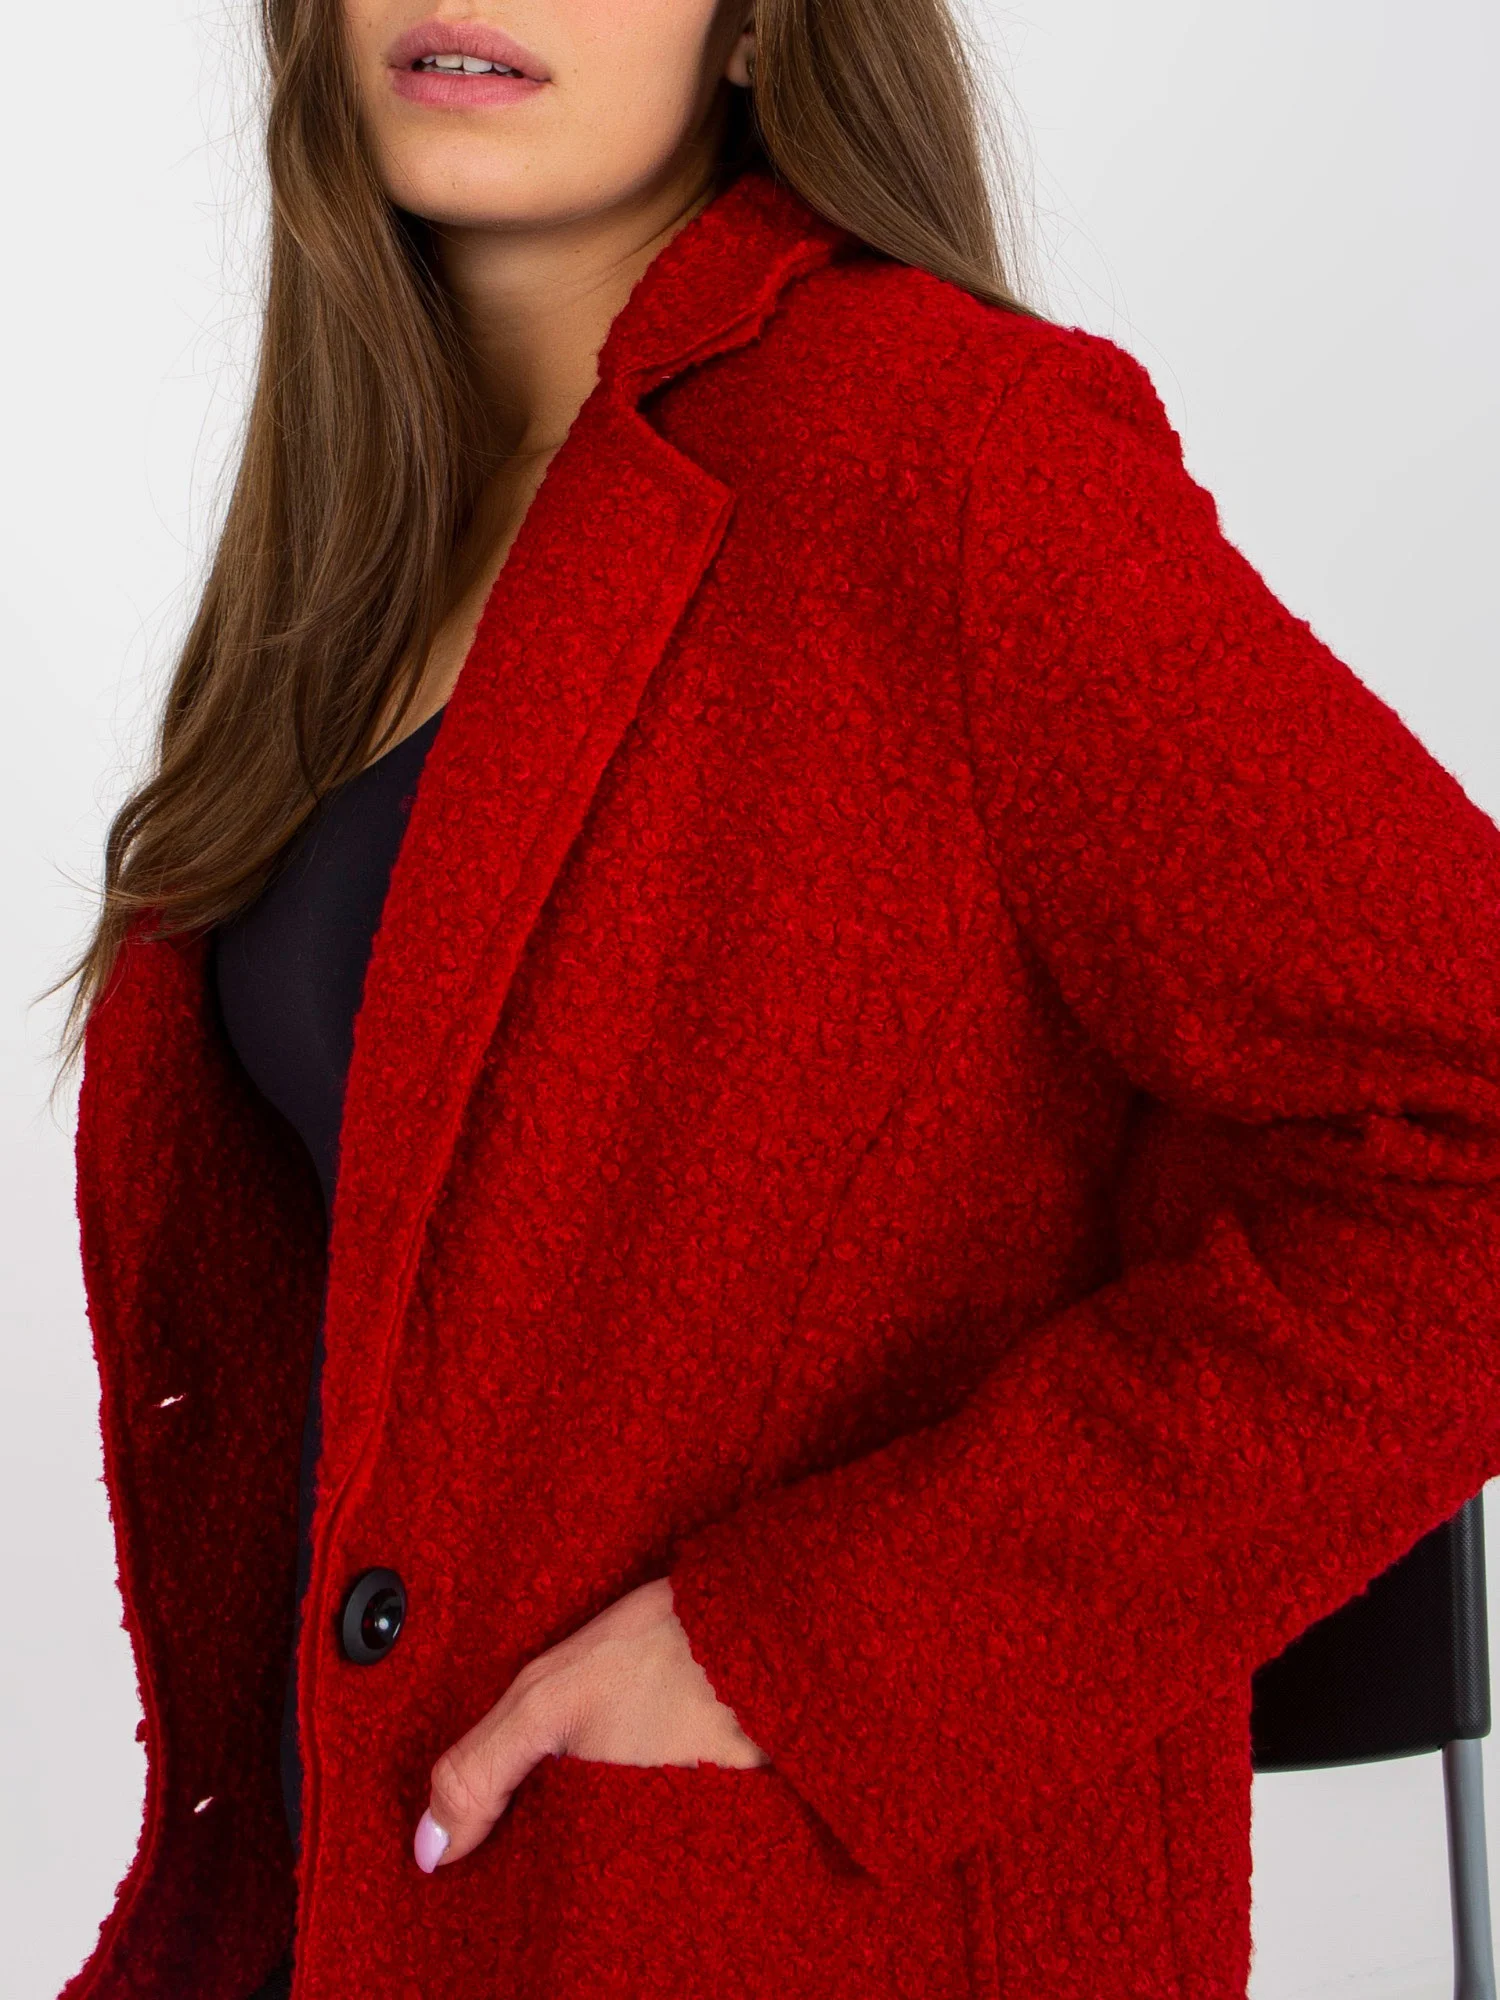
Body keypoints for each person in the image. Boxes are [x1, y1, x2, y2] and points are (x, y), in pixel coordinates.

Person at [52, 0, 1500, 1995]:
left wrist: (828, 1646)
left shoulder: (943, 458)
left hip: (755, 1922)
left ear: (757, 31)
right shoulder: (369, 548)